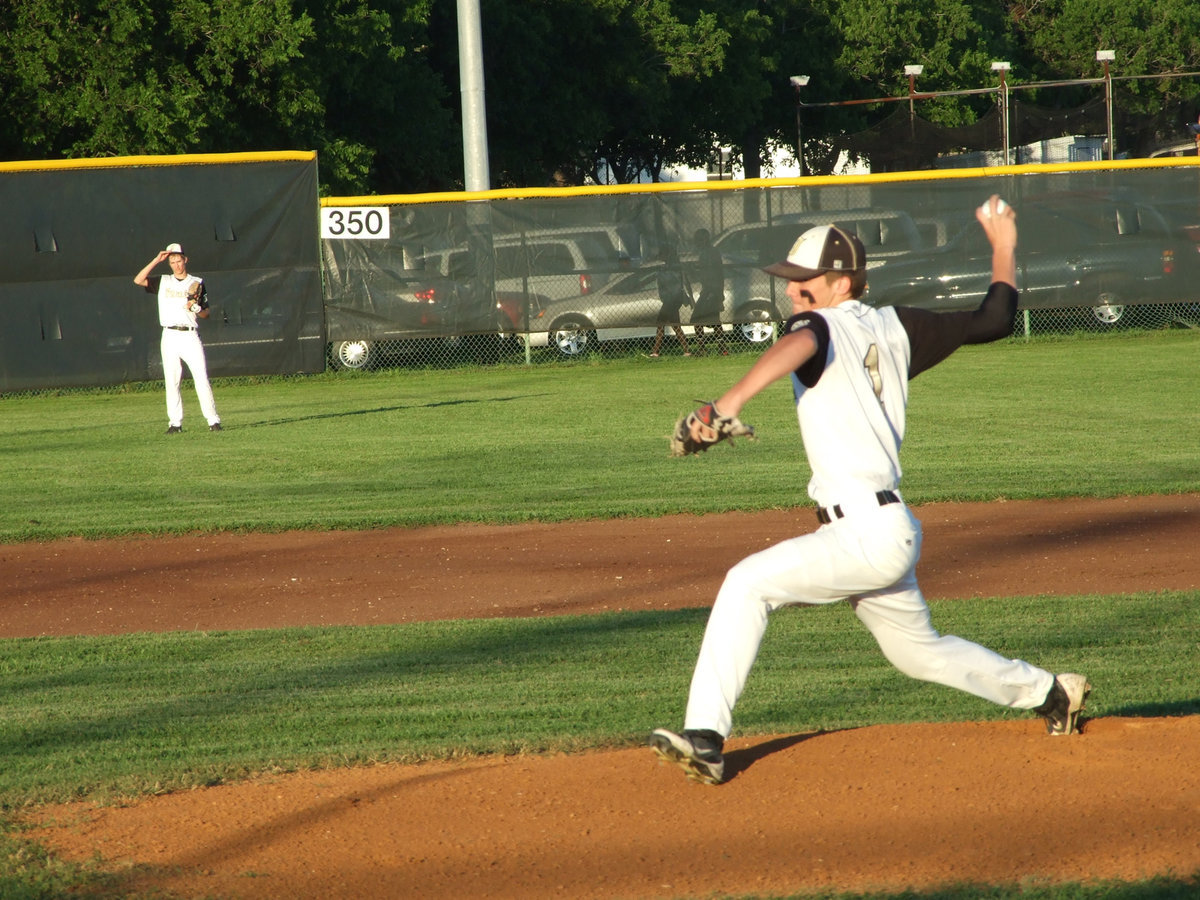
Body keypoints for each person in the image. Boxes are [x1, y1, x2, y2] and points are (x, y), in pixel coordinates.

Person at [650, 196, 1090, 785]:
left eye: (804, 283)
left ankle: (704, 736)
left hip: (863, 531)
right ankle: (1052, 693)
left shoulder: (818, 324)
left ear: (839, 282)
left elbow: (801, 342)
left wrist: (726, 403)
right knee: (919, 652)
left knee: (746, 584)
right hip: (884, 529)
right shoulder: (898, 326)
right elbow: (995, 319)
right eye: (790, 282)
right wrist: (1004, 244)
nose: (793, 293)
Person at [133, 242, 222, 434]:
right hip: (169, 335)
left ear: (185, 260)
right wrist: (157, 259)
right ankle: (175, 423)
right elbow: (138, 280)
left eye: (179, 260)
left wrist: (197, 308)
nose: (176, 264)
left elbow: (206, 313)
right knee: (172, 380)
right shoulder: (163, 281)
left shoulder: (196, 281)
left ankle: (213, 420)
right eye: (172, 261)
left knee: (201, 377)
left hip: (189, 334)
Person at [690, 228, 728, 355]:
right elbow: (706, 273)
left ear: (704, 239)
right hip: (708, 290)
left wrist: (714, 292)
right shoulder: (707, 252)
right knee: (714, 320)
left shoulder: (711, 253)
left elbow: (715, 274)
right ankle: (722, 348)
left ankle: (704, 349)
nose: (696, 242)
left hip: (711, 291)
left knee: (696, 319)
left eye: (698, 240)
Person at [650, 243, 691, 357]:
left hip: (671, 300)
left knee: (662, 324)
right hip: (671, 299)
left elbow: (677, 284)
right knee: (674, 325)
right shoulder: (669, 268)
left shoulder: (672, 268)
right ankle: (686, 350)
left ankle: (656, 351)